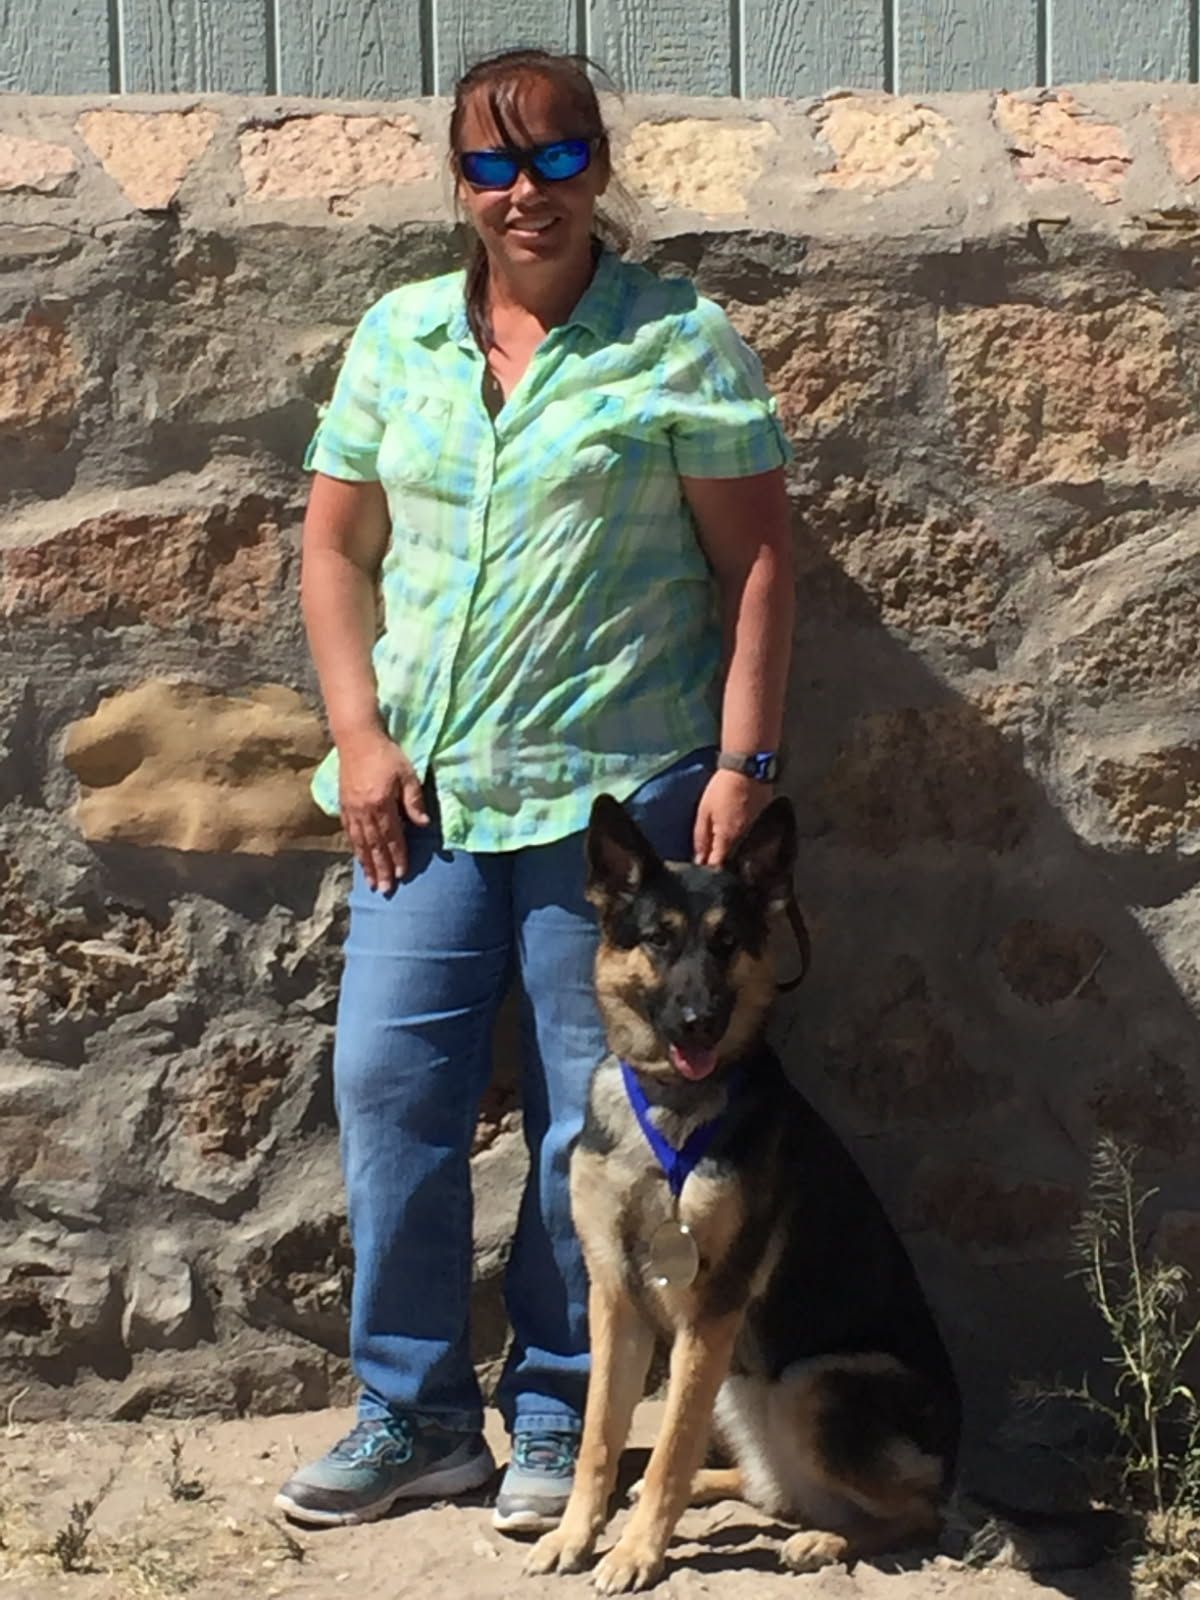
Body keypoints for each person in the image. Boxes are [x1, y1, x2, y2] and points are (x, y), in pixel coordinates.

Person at [275, 47, 795, 1533]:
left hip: (615, 809)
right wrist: (358, 736)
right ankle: (418, 1416)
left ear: (600, 169)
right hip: (422, 802)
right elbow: (336, 550)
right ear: (458, 182)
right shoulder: (397, 337)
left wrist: (746, 762)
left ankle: (569, 1416)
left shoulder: (677, 339)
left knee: (598, 1124)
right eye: (495, 165)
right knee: (392, 1090)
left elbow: (757, 560)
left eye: (559, 159)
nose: (528, 192)